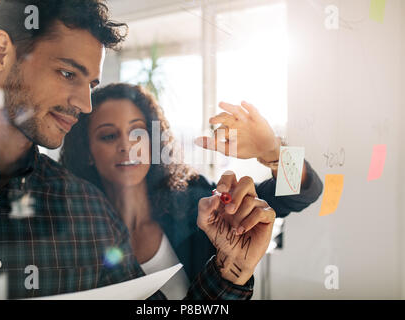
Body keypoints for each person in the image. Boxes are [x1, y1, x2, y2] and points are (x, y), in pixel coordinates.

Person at [0, 0, 264, 300]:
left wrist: (232, 268)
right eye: (68, 73)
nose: (84, 104)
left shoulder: (91, 212)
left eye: (90, 85)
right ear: (0, 52)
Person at [60, 83, 324, 299]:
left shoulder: (191, 199)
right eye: (108, 136)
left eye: (137, 132)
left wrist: (273, 152)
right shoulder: (74, 233)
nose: (127, 146)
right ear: (88, 152)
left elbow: (298, 194)